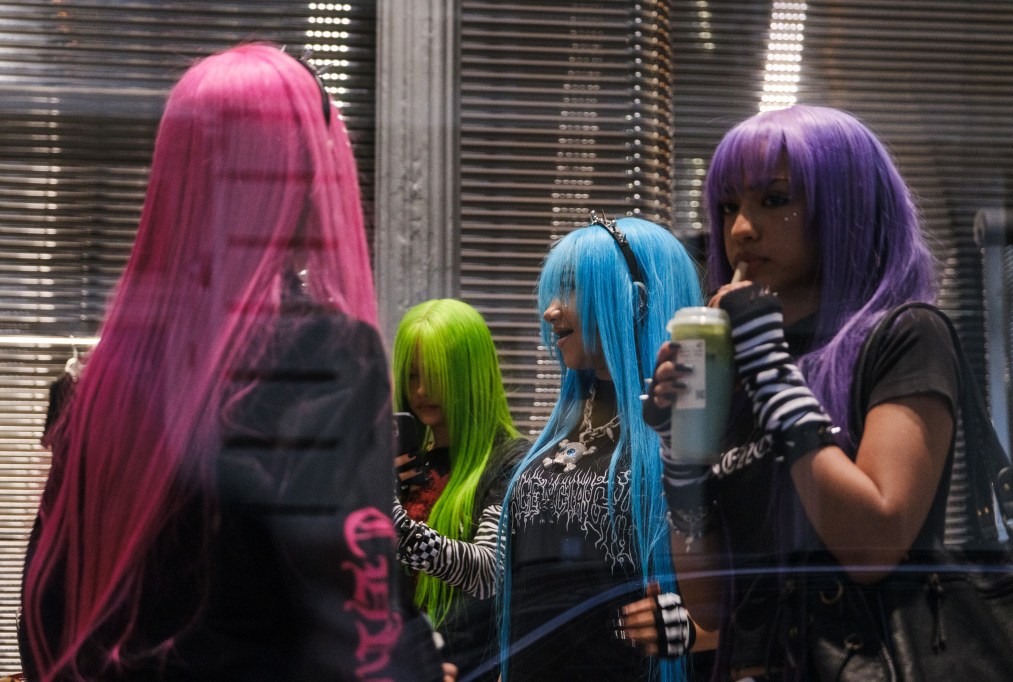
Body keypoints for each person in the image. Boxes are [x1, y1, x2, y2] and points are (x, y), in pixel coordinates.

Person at [19, 43, 448, 681]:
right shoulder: (323, 356)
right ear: (298, 180)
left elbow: (44, 620)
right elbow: (353, 626)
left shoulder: (108, 380)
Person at [644, 104, 957, 680]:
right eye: (728, 206)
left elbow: (872, 546)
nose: (741, 229)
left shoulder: (906, 335)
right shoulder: (740, 367)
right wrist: (681, 458)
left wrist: (765, 361)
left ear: (848, 205)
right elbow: (709, 603)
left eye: (774, 199)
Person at [494, 213, 704, 681]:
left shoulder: (689, 431)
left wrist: (696, 629)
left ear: (636, 299)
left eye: (569, 289)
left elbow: (748, 591)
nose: (550, 311)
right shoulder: (564, 427)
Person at [389, 298, 531, 680]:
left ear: (469, 373)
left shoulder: (512, 462)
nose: (420, 390)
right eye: (412, 375)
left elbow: (486, 570)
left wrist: (392, 522)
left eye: (435, 374)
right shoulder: (406, 462)